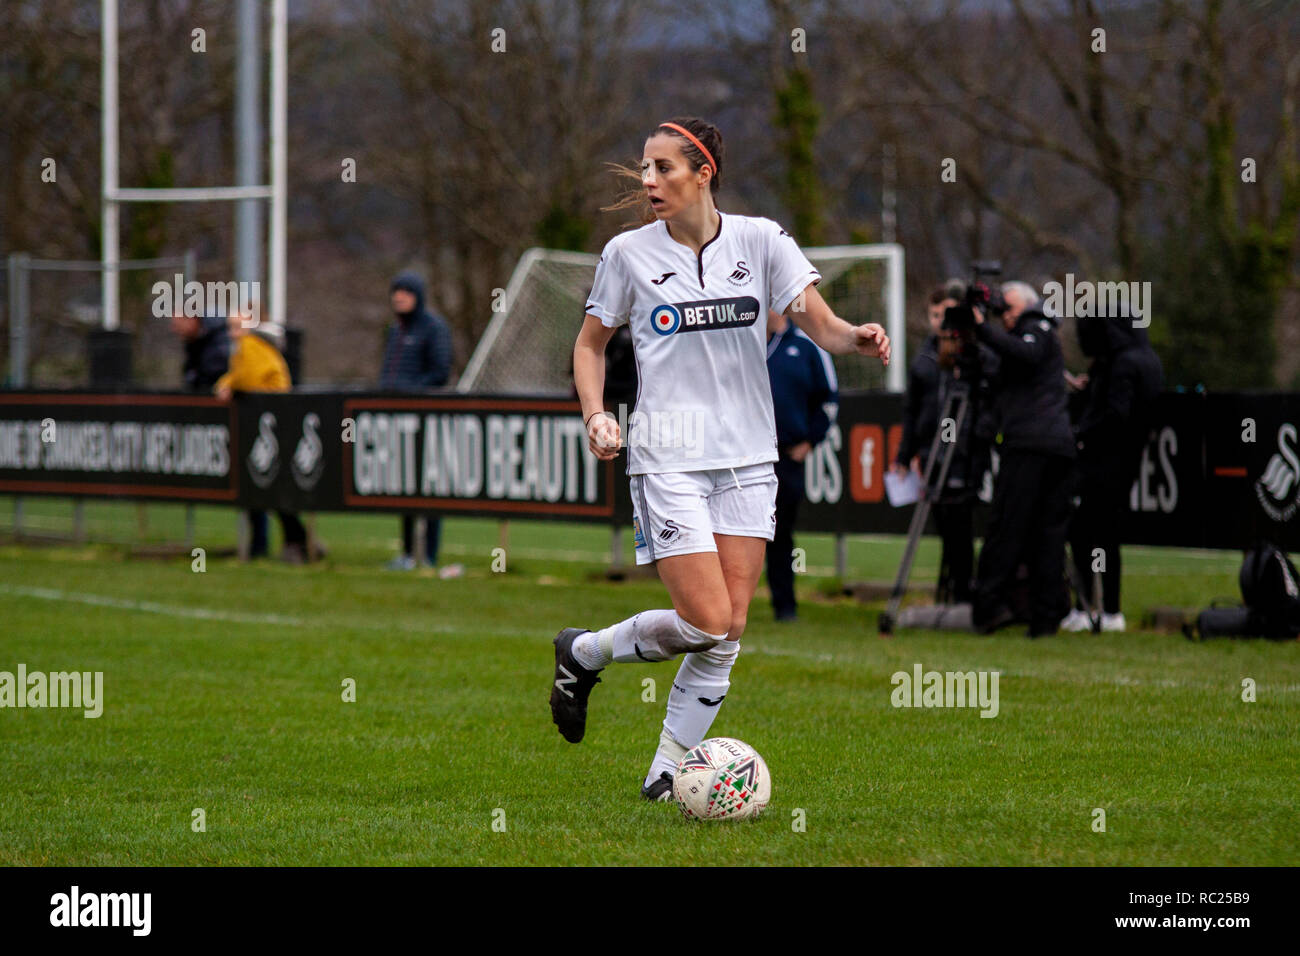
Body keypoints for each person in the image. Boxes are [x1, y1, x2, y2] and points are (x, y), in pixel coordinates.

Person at [548, 117, 890, 801]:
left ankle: (665, 771)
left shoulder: (762, 241)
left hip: (747, 457)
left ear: (703, 173)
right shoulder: (627, 254)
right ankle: (584, 653)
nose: (648, 181)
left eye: (663, 169)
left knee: (728, 629)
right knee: (704, 619)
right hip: (666, 454)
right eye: (644, 168)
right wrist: (594, 415)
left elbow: (820, 323)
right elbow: (589, 346)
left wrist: (857, 336)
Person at [971, 281, 1076, 637]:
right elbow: (1000, 375)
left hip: (1033, 447)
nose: (1006, 318)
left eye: (1009, 309)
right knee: (1044, 532)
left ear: (1029, 306)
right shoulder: (1025, 339)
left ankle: (993, 607)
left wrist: (982, 329)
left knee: (1011, 527)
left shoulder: (1038, 328)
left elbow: (1025, 354)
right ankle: (1042, 615)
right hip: (1052, 446)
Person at [891, 283, 998, 605]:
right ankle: (952, 589)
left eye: (947, 314)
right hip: (931, 453)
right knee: (944, 526)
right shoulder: (924, 357)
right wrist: (904, 454)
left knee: (962, 523)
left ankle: (966, 592)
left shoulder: (975, 355)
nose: (941, 321)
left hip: (966, 453)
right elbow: (912, 411)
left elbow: (989, 400)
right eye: (935, 314)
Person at [1061, 306, 1163, 631]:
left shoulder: (1124, 364)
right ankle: (1095, 607)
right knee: (1095, 532)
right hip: (1121, 461)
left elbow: (1117, 414)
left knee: (1093, 532)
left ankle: (1103, 609)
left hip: (1106, 463)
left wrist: (1081, 435)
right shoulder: (1137, 359)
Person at [379, 272, 462, 578]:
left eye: (405, 292)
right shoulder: (395, 330)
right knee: (404, 487)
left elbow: (440, 372)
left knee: (429, 486)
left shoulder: (433, 328)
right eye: (395, 291)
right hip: (396, 419)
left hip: (425, 420)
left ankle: (427, 554)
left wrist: (409, 391)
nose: (398, 297)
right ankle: (406, 553)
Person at [214, 309, 313, 564]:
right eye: (230, 326)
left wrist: (229, 385)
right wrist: (226, 382)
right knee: (263, 488)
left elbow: (248, 378)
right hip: (270, 425)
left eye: (237, 326)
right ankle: (286, 541)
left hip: (271, 425)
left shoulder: (250, 345)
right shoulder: (250, 347)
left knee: (269, 486)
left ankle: (293, 540)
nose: (232, 332)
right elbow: (241, 375)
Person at [765, 308, 838, 621]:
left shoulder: (807, 345)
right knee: (734, 532)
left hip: (786, 456)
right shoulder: (741, 341)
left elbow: (829, 400)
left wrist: (810, 440)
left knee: (780, 531)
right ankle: (719, 608)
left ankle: (785, 605)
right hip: (743, 455)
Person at [170, 311, 229, 393]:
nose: (174, 329)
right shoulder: (193, 341)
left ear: (192, 319)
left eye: (177, 325)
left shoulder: (221, 338)